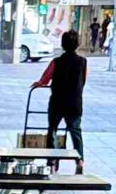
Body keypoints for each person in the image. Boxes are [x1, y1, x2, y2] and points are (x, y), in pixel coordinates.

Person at [36, 30, 88, 159]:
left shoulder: (56, 62)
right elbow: (84, 80)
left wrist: (38, 83)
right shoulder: (83, 62)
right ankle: (80, 160)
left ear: (62, 44)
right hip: (75, 103)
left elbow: (45, 79)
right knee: (75, 131)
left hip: (57, 102)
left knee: (52, 129)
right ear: (77, 44)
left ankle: (52, 161)